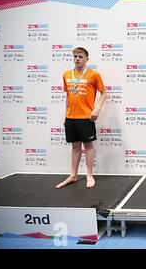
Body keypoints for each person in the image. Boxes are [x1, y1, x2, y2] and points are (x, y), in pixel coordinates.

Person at [56, 47, 107, 189]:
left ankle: (89, 175)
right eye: (75, 56)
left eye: (80, 56)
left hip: (86, 117)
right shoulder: (67, 74)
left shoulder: (94, 74)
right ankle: (73, 175)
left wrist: (97, 109)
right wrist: (66, 115)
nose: (77, 59)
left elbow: (103, 93)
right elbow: (68, 96)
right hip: (71, 116)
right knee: (75, 146)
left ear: (86, 59)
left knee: (88, 146)